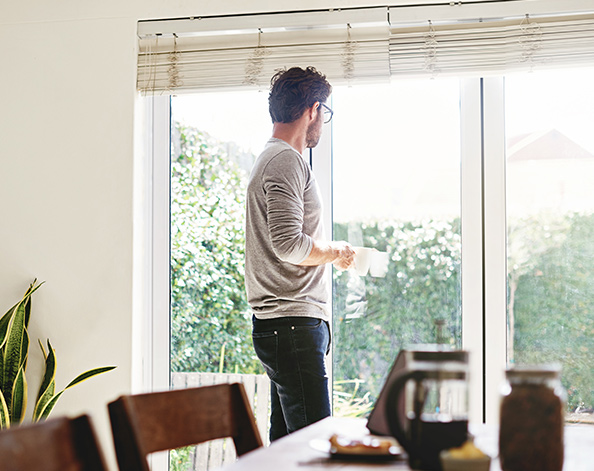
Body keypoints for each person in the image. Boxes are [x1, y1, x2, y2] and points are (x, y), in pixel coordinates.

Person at [245, 66, 355, 442]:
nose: (323, 122)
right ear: (313, 109)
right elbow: (289, 244)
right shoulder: (285, 161)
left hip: (284, 325)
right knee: (314, 448)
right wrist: (336, 250)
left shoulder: (275, 159)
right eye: (324, 113)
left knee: (286, 450)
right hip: (291, 324)